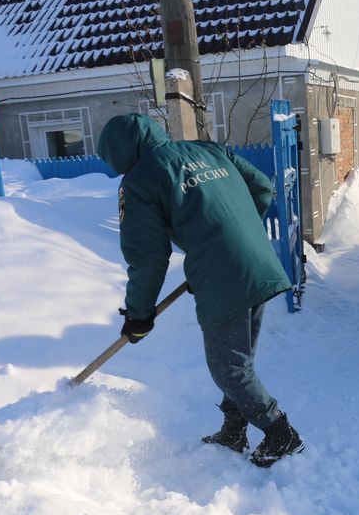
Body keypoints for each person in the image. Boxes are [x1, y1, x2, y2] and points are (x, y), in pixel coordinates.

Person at [98, 113, 304, 468]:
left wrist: (139, 314)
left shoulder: (139, 181)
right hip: (257, 260)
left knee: (228, 366)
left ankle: (281, 433)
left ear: (118, 154)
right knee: (240, 359)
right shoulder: (208, 149)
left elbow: (147, 258)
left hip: (224, 272)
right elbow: (263, 188)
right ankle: (234, 428)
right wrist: (234, 232)